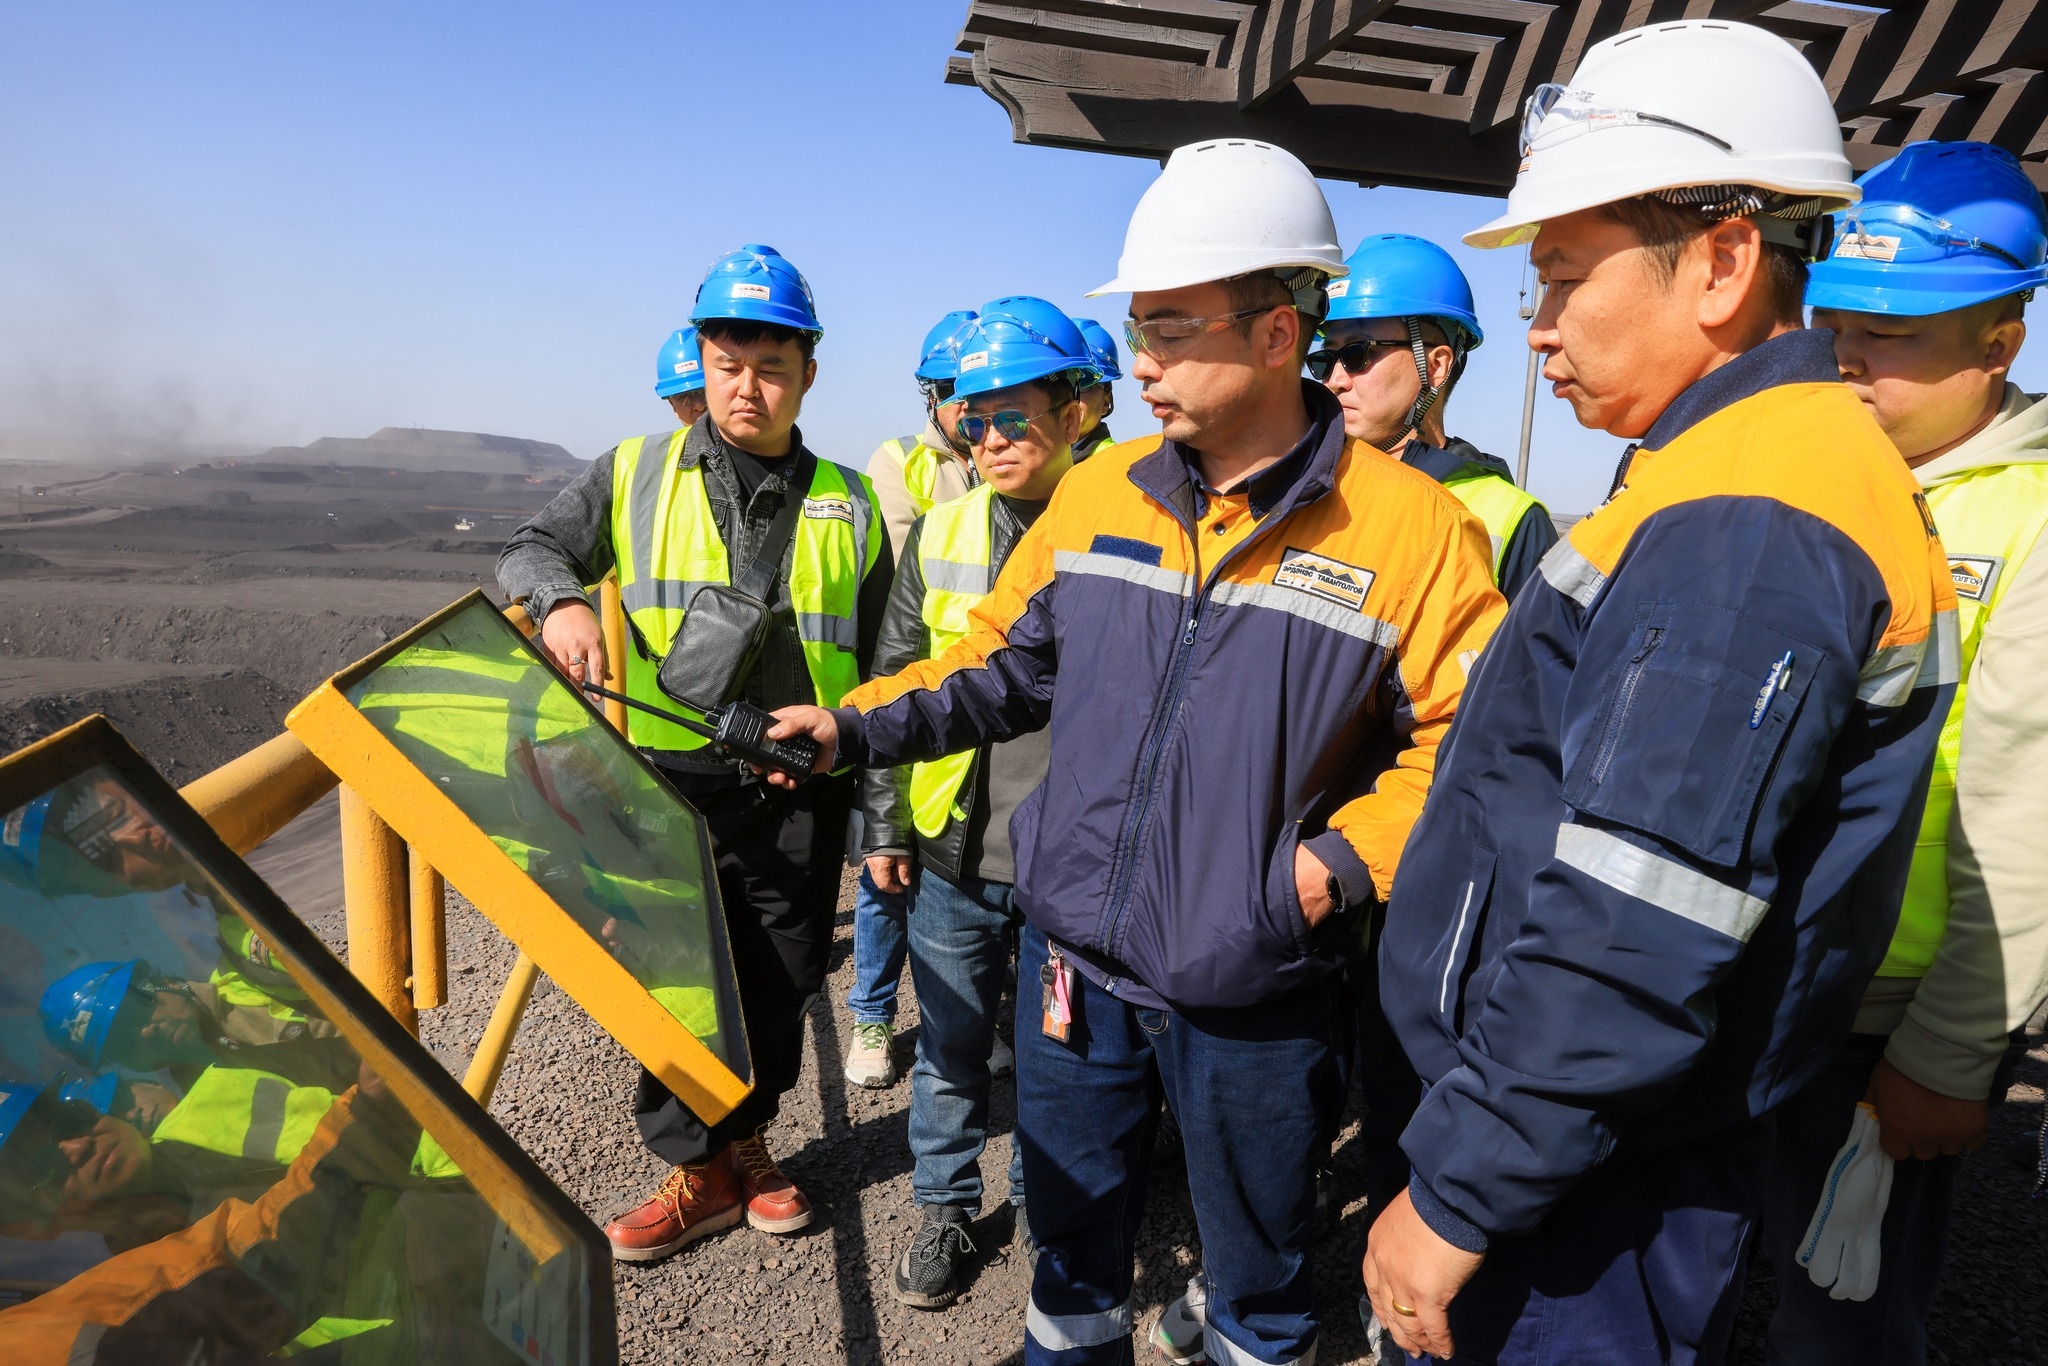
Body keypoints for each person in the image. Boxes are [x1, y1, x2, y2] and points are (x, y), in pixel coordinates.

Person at [765, 138, 1505, 1366]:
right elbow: (999, 661)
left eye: (1169, 328)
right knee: (1069, 1258)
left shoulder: (1411, 530)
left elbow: (1466, 750)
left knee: (1259, 1283)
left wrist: (1325, 870)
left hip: (1253, 993)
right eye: (1138, 325)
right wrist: (853, 725)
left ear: (1277, 332)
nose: (1141, 360)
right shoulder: (1102, 491)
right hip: (1074, 974)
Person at [1364, 22, 1959, 1365]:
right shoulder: (1738, 461)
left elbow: (1638, 914)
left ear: (1725, 260)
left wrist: (1462, 1188)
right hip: (1590, 1137)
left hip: (1587, 1171)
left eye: (1565, 275)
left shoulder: (1755, 515)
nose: (1541, 327)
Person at [497, 243, 891, 1261]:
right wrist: (565, 600)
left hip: (806, 790)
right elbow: (534, 547)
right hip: (673, 785)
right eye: (727, 362)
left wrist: (872, 800)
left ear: (808, 369)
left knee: (780, 975)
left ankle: (746, 1136)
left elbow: (893, 663)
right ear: (701, 361)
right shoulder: (631, 472)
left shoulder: (851, 500)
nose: (746, 386)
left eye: (769, 365)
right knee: (674, 981)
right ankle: (701, 1168)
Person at [1768, 138, 2048, 1365]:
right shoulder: (1809, 477)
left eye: (1897, 332)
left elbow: (2022, 805)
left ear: (2000, 341)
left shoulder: (2027, 519)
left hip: (1887, 1013)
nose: (1850, 355)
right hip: (1760, 973)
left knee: (1844, 1323)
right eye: (1843, 320)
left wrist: (1946, 1055)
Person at [859, 297, 1100, 1309]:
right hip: (954, 845)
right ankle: (945, 1208)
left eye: (1014, 415)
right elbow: (898, 671)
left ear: (1079, 409)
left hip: (1070, 860)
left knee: (1058, 1060)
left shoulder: (1132, 519)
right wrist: (881, 821)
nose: (990, 437)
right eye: (973, 417)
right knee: (951, 1047)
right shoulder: (949, 528)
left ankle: (1042, 1207)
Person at [845, 307, 986, 1091]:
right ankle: (870, 1013)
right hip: (914, 683)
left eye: (981, 391)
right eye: (955, 393)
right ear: (930, 397)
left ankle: (964, 1018)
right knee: (884, 863)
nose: (970, 409)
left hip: (983, 692)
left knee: (959, 869)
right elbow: (910, 564)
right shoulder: (902, 462)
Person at [1310, 233, 1558, 598]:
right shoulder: (1305, 488)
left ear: (1436, 365)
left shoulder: (1511, 520)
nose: (1335, 380)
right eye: (1324, 359)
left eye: (1357, 355)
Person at [1070, 317, 1122, 461]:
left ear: (1105, 402)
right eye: (1057, 384)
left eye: (1083, 385)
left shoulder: (1113, 464)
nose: (1068, 397)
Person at [655, 325, 709, 428]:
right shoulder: (665, 444)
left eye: (706, 391)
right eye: (684, 397)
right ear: (672, 405)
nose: (700, 405)